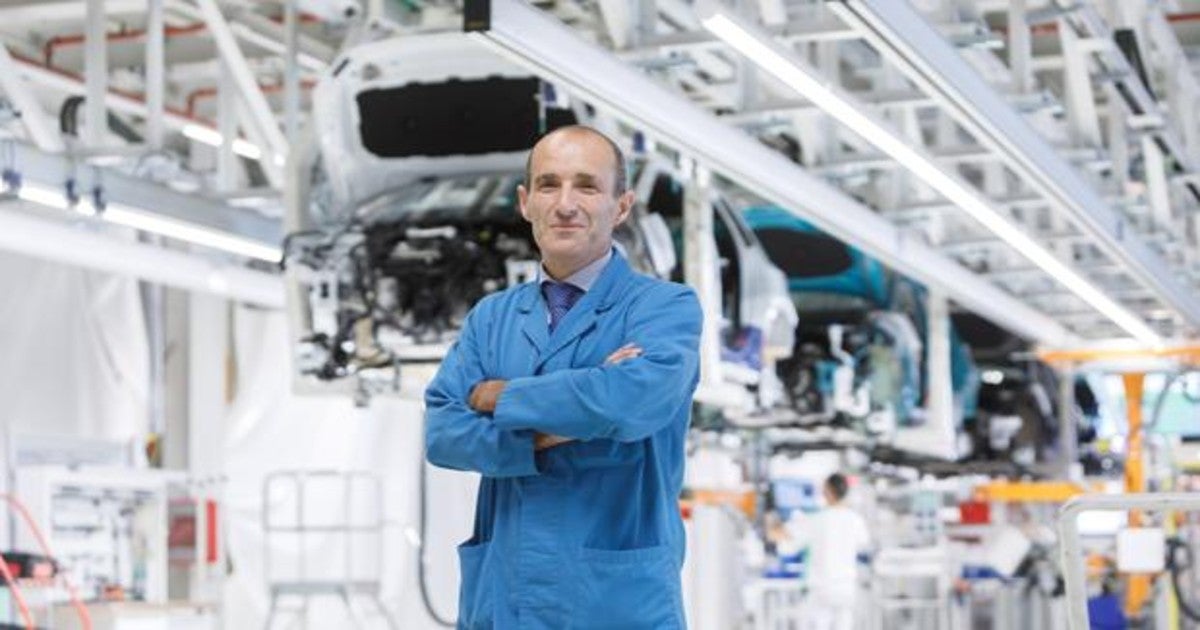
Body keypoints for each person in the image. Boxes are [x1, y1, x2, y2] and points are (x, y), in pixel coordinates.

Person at [424, 125, 703, 629]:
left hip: (614, 603)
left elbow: (629, 402)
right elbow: (443, 434)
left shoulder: (665, 307)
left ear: (621, 206)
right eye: (549, 185)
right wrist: (567, 424)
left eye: (588, 186)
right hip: (506, 600)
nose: (565, 203)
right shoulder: (491, 318)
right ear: (526, 203)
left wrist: (499, 397)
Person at [781, 474, 871, 630]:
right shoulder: (856, 520)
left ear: (828, 491)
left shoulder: (817, 519)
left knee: (815, 622)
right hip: (846, 587)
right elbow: (863, 544)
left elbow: (789, 545)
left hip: (822, 587)